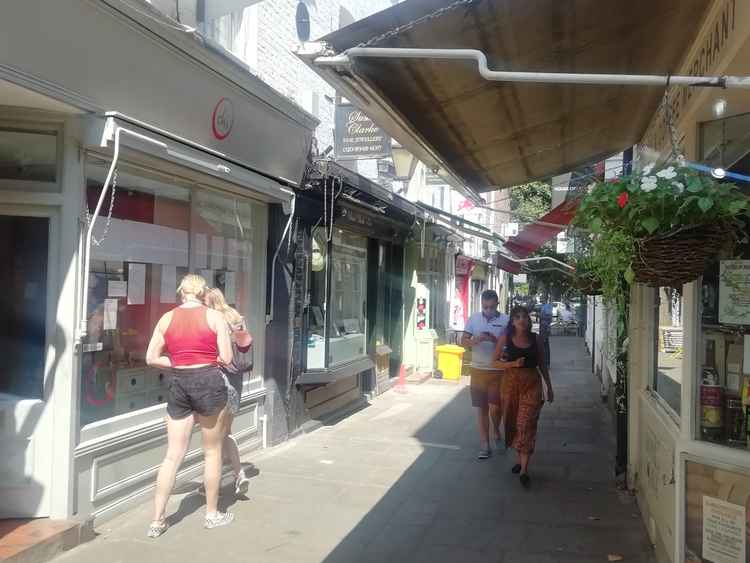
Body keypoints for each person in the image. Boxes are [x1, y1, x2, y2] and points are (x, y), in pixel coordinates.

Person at [145, 274, 234, 537]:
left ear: (181, 292)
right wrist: (203, 359)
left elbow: (151, 357)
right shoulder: (214, 317)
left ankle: (157, 521)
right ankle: (211, 514)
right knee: (212, 452)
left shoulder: (167, 318)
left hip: (179, 383)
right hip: (208, 380)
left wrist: (179, 362)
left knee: (172, 455)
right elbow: (227, 358)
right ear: (203, 292)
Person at [493, 306, 554, 488]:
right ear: (512, 321)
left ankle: (524, 470)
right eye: (518, 317)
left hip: (531, 385)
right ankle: (520, 459)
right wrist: (512, 363)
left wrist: (549, 387)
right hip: (510, 386)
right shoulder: (506, 338)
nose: (522, 320)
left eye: (525, 317)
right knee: (513, 422)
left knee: (525, 423)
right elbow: (494, 362)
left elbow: (542, 364)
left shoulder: (536, 339)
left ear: (529, 320)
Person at [203, 287, 253, 496]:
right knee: (224, 433)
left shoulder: (215, 320)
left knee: (215, 436)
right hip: (237, 379)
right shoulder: (237, 317)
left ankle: (235, 474)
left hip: (220, 379)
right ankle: (233, 475)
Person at [461, 289, 510, 460]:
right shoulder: (474, 319)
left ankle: (496, 430)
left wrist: (496, 341)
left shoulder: (506, 320)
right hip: (478, 370)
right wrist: (476, 340)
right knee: (482, 408)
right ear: (481, 304)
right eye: (485, 307)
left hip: (498, 371)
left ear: (497, 304)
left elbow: (510, 347)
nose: (488, 310)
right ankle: (484, 444)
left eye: (491, 306)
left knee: (496, 408)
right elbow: (464, 341)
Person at [539, 298, 553, 369]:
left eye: (542, 297)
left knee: (545, 346)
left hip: (545, 328)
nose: (541, 299)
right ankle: (545, 362)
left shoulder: (547, 306)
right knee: (543, 345)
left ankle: (546, 363)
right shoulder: (544, 306)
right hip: (543, 328)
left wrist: (540, 316)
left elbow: (549, 317)